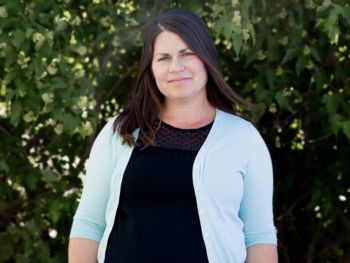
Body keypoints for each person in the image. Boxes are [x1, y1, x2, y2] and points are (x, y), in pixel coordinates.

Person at [68, 7, 278, 263]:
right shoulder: (119, 132)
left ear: (206, 59)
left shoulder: (243, 139)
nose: (175, 67)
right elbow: (89, 225)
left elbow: (259, 237)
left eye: (187, 54)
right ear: (151, 68)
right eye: (163, 58)